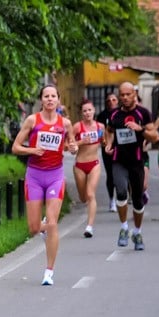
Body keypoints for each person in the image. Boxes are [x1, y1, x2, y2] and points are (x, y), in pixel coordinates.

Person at [11, 84, 78, 285]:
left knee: (52, 222)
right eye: (46, 96)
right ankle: (42, 229)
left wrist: (73, 148)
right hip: (35, 176)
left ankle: (49, 272)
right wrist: (32, 150)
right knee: (33, 228)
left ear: (58, 100)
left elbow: (71, 146)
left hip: (55, 176)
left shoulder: (65, 123)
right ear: (42, 100)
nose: (50, 99)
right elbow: (15, 147)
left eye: (53, 96)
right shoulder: (33, 120)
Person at [104, 81, 155, 251]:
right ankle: (124, 227)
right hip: (119, 160)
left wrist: (139, 129)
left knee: (138, 201)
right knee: (120, 191)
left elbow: (154, 136)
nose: (125, 98)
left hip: (137, 161)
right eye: (122, 95)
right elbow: (109, 131)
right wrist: (108, 144)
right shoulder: (114, 115)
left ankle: (137, 232)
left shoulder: (143, 113)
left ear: (134, 94)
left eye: (128, 94)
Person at [71, 99, 105, 238]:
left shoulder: (100, 127)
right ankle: (84, 200)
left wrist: (108, 146)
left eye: (89, 110)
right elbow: (70, 147)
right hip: (79, 165)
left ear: (94, 111)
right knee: (83, 197)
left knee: (91, 195)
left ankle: (89, 226)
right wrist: (79, 142)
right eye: (84, 111)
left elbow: (104, 141)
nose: (87, 113)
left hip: (94, 164)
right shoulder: (77, 127)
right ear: (81, 113)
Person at [95, 93, 118, 212]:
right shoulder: (102, 115)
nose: (111, 102)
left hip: (120, 148)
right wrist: (102, 141)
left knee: (122, 172)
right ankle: (111, 199)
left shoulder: (121, 113)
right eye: (109, 100)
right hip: (107, 148)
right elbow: (99, 130)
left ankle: (125, 196)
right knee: (111, 174)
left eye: (114, 99)